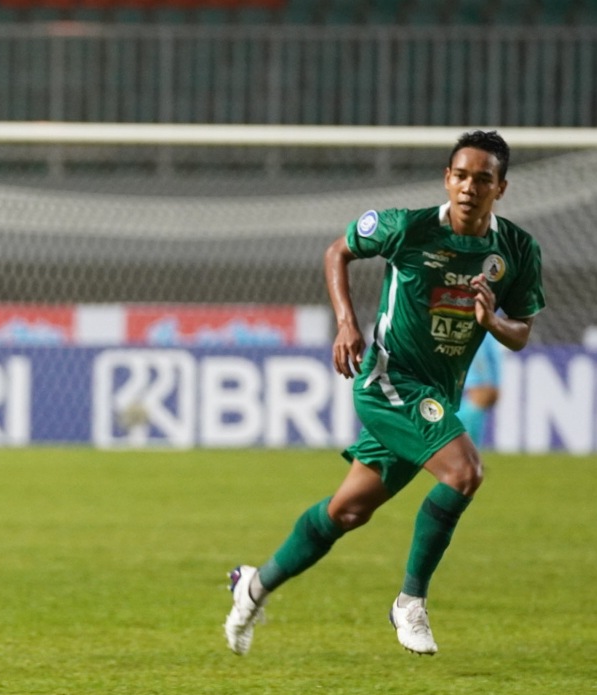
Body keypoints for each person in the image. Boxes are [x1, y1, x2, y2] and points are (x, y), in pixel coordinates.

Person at [224, 130, 544, 657]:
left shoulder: (515, 250)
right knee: (466, 472)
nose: (468, 187)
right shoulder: (407, 227)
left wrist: (492, 321)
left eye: (482, 179)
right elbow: (338, 251)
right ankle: (410, 602)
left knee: (348, 511)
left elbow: (523, 332)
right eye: (460, 176)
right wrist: (347, 323)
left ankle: (252, 587)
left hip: (437, 391)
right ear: (447, 178)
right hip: (389, 380)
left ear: (500, 188)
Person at [457, 332, 503, 447]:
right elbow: (479, 353)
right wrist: (486, 380)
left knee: (475, 414)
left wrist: (495, 383)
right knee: (473, 411)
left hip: (480, 378)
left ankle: (470, 453)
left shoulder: (492, 328)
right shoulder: (483, 325)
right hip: (477, 380)